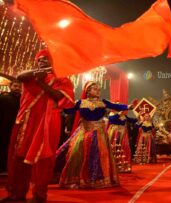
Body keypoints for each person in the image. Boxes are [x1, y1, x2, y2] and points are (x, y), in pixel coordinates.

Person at [1, 49, 74, 203]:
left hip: (46, 123)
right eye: (39, 59)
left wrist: (41, 82)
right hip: (25, 122)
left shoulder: (62, 79)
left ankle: (39, 195)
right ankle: (16, 193)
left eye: (45, 59)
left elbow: (59, 97)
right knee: (18, 158)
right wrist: (38, 74)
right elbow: (20, 77)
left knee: (42, 160)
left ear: (53, 61)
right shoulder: (30, 76)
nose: (41, 61)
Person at [56, 81, 131, 189]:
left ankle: (96, 179)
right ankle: (77, 179)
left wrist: (128, 106)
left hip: (99, 133)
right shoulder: (80, 102)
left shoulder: (103, 102)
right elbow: (69, 110)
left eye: (98, 89)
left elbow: (116, 106)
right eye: (95, 89)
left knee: (99, 155)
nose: (98, 91)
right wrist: (62, 101)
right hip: (84, 132)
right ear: (88, 91)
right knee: (76, 154)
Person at [0, 80, 21, 174]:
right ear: (10, 86)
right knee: (3, 146)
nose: (17, 88)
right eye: (15, 86)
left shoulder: (23, 99)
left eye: (19, 87)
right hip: (4, 127)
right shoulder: (3, 98)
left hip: (18, 127)